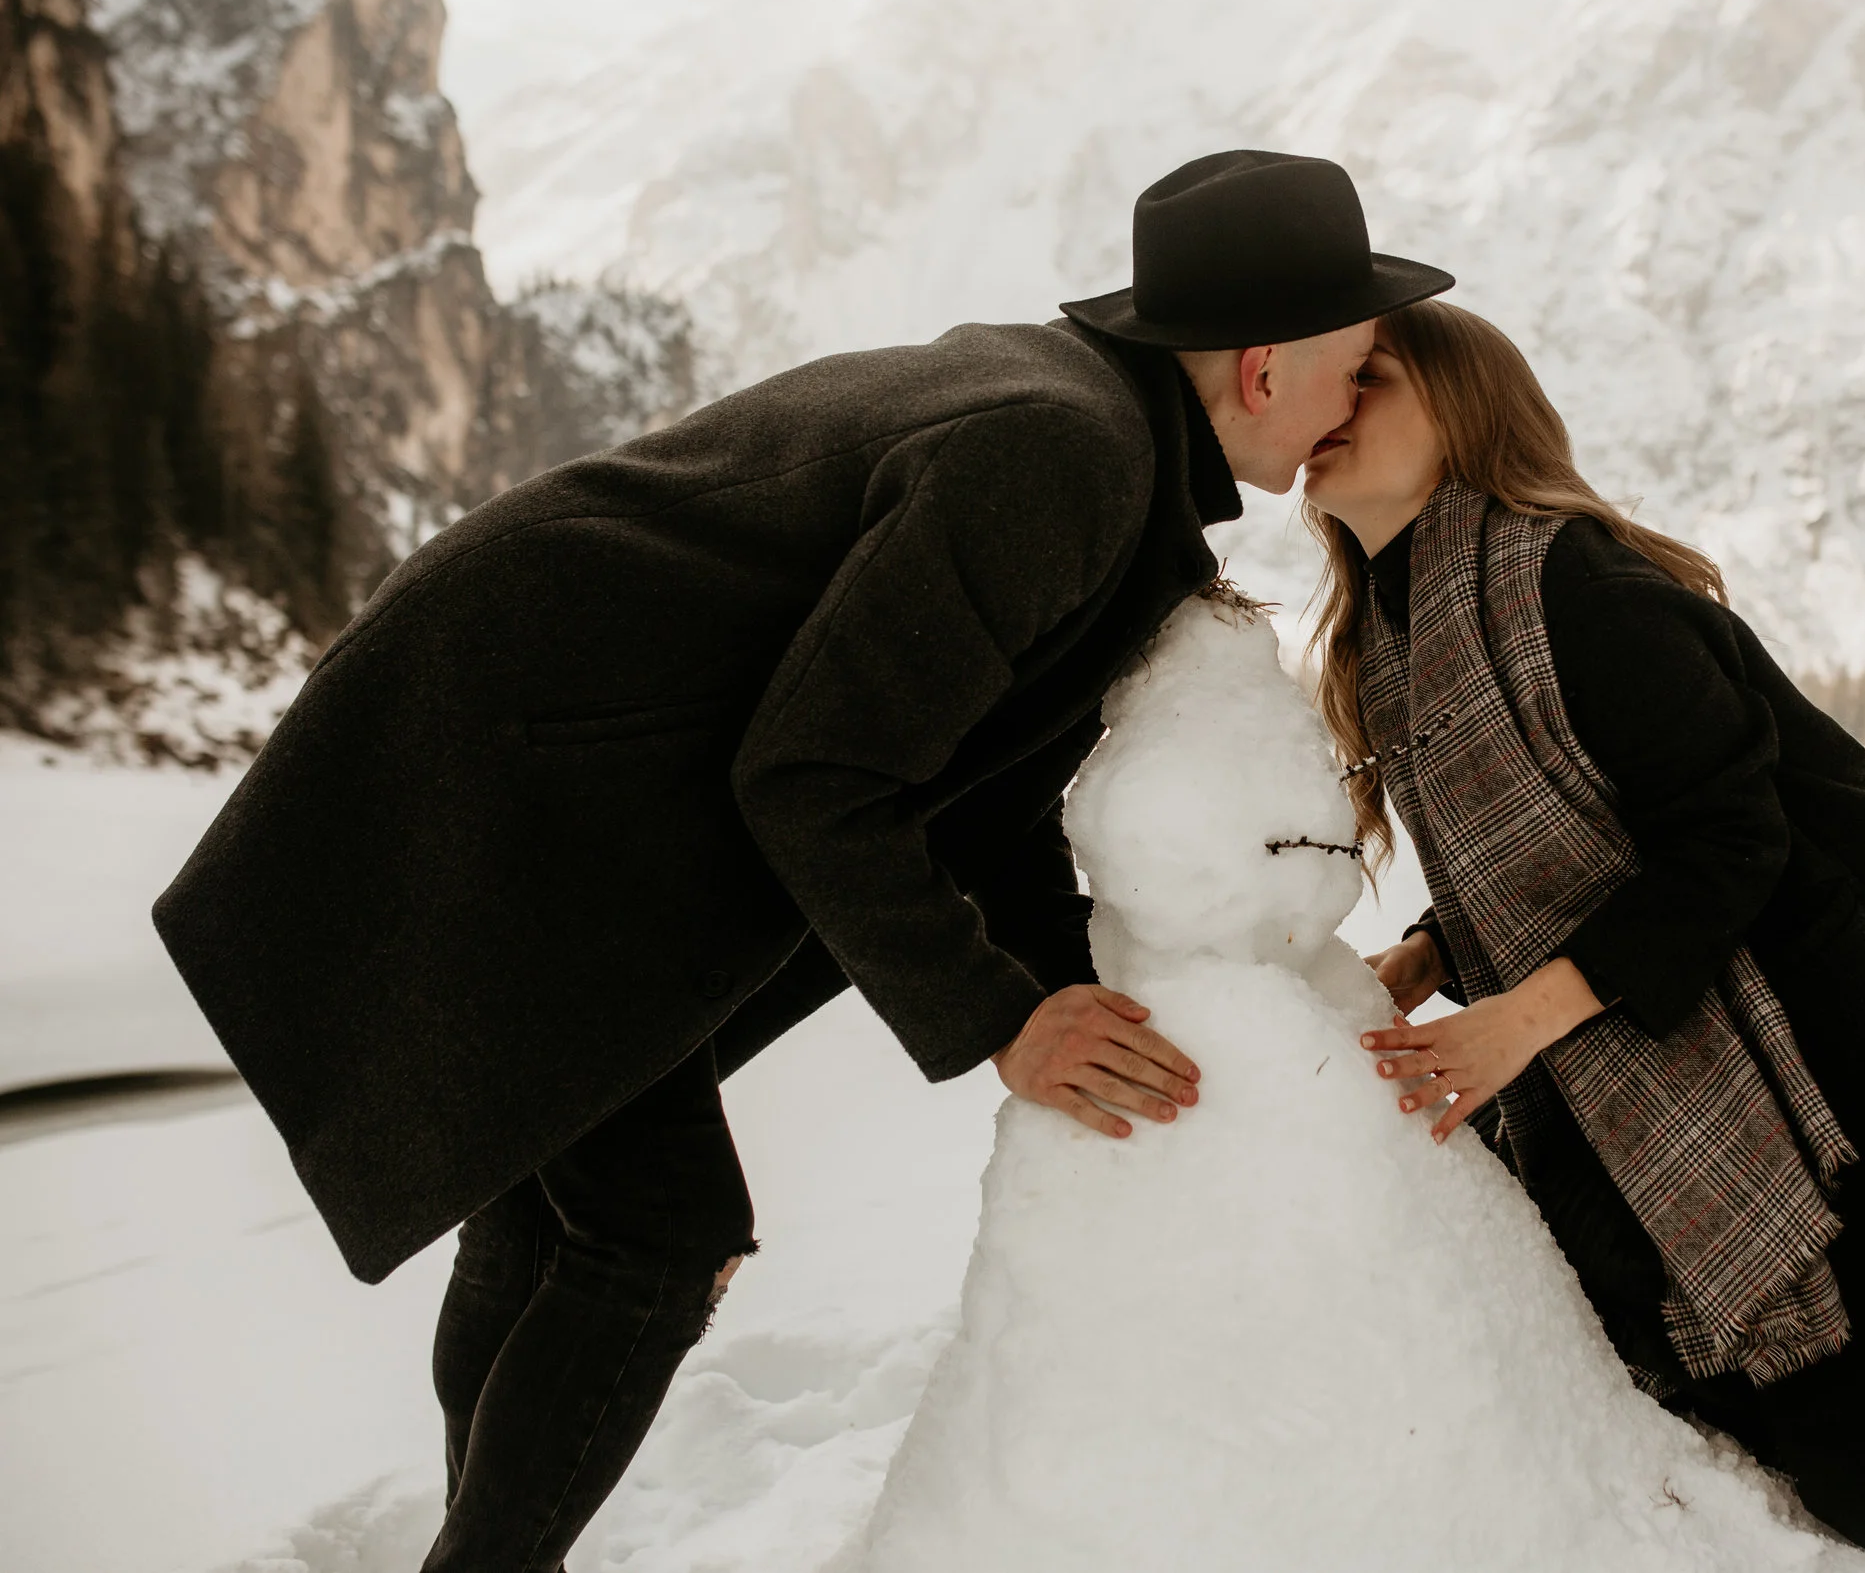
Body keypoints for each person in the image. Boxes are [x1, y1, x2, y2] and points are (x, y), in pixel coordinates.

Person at [150, 151, 1451, 1573]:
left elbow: (981, 787)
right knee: (655, 1233)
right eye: (1358, 360)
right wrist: (1001, 1019)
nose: (1361, 393)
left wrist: (1106, 989)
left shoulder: (1098, 445)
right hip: (524, 765)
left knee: (556, 1195)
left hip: (549, 757)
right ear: (1263, 367)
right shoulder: (1060, 454)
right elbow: (819, 771)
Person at [1301, 299, 1865, 1570]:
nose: (1329, 405)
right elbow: (1565, 842)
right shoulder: (1399, 626)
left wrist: (1525, 1015)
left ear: (1462, 410)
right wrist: (1440, 949)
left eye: (1369, 377)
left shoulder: (1572, 580)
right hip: (1696, 951)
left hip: (1847, 957)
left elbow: (1723, 833)